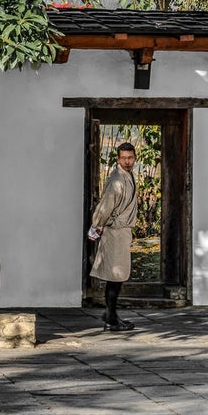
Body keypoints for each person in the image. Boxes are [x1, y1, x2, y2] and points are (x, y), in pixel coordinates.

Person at [87, 142, 138, 331]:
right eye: (123, 158)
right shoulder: (116, 179)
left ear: (134, 158)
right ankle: (111, 317)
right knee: (115, 275)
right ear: (118, 158)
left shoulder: (129, 176)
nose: (127, 161)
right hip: (114, 231)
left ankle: (111, 314)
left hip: (122, 230)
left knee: (118, 275)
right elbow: (106, 205)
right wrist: (97, 224)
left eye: (130, 158)